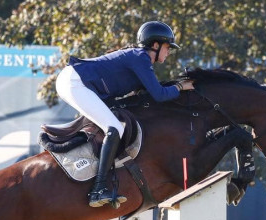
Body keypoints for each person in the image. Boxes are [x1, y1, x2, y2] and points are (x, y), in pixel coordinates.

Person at [56, 21, 194, 207]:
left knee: (114, 124)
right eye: (167, 47)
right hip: (75, 82)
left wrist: (177, 87)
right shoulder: (140, 57)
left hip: (76, 81)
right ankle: (98, 189)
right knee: (114, 128)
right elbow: (160, 95)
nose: (169, 52)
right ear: (155, 45)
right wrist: (180, 86)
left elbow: (151, 94)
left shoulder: (140, 59)